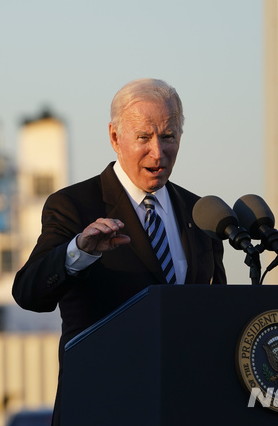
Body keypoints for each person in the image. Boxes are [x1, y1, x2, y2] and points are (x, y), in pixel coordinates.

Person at [12, 78, 227, 425]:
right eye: (144, 137)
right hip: (101, 407)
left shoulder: (199, 212)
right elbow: (28, 293)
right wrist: (77, 252)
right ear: (115, 137)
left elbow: (216, 316)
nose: (158, 152)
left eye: (168, 137)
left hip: (181, 409)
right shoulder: (74, 205)